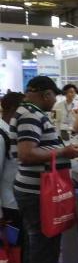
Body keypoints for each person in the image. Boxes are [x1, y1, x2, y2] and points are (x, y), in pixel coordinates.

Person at [11, 76, 78, 263]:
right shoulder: (31, 114)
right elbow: (27, 153)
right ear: (45, 94)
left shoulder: (27, 111)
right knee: (44, 252)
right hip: (37, 193)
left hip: (32, 190)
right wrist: (64, 152)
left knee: (36, 250)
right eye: (54, 96)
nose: (55, 102)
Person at [0, 92, 24, 223]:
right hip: (8, 205)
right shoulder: (2, 135)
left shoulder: (12, 131)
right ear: (14, 110)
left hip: (17, 201)